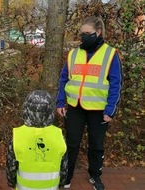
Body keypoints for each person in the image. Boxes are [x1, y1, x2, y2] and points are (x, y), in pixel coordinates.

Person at [56, 16, 122, 190]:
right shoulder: (73, 54)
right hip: (75, 107)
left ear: (98, 32)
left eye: (88, 33)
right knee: (71, 143)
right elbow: (64, 79)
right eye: (82, 33)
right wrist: (60, 102)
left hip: (99, 110)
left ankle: (95, 176)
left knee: (96, 145)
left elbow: (116, 84)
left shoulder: (110, 54)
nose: (84, 36)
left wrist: (110, 110)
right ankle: (67, 176)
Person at [6, 90, 68, 190]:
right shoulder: (59, 135)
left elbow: (11, 167)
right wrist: (61, 183)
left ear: (26, 109)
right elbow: (64, 167)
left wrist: (11, 183)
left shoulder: (18, 136)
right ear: (50, 110)